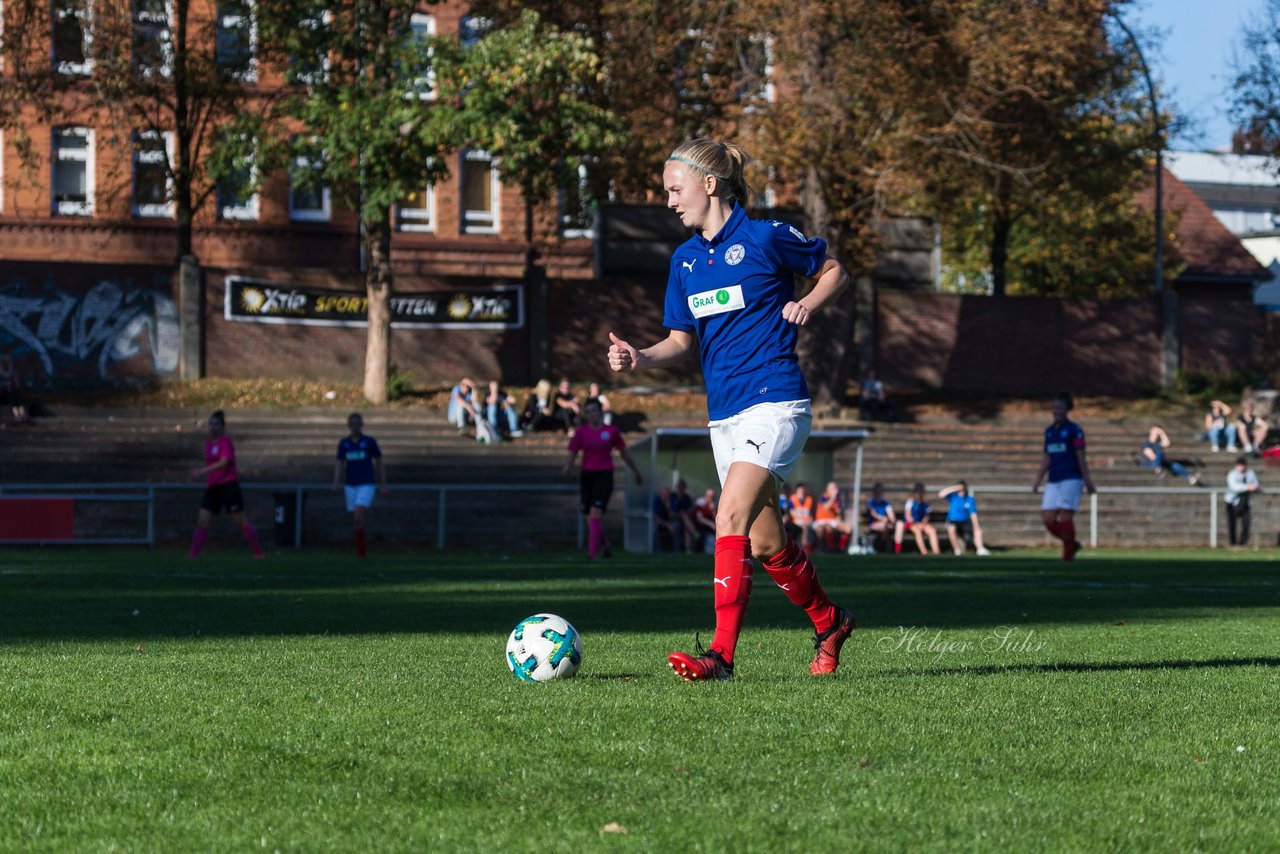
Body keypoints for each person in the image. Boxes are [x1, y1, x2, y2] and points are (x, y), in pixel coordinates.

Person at [607, 136, 855, 680]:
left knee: (729, 517)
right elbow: (679, 339)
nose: (669, 201)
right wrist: (637, 357)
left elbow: (832, 268)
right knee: (766, 543)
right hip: (725, 416)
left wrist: (807, 302)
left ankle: (720, 656)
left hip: (776, 401)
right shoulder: (686, 261)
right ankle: (830, 621)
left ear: (710, 185)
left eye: (676, 190)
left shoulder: (766, 237)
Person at [563, 397, 643, 559]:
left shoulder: (611, 431)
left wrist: (636, 471)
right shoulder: (581, 432)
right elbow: (573, 452)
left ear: (600, 412)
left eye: (594, 411)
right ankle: (605, 544)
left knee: (595, 512)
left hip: (604, 475)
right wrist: (567, 467)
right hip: (587, 475)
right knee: (589, 516)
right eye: (588, 412)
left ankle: (591, 554)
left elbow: (623, 453)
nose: (591, 414)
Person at [187, 409, 263, 559]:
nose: (212, 427)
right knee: (202, 521)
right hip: (213, 487)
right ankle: (192, 556)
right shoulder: (208, 444)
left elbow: (223, 463)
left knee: (240, 521)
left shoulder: (226, 442)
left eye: (216, 424)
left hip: (228, 486)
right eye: (210, 424)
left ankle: (258, 553)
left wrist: (201, 471)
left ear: (222, 427)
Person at [1032, 391, 1097, 561]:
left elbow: (1081, 456)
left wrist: (1087, 480)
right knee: (1048, 518)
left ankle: (1067, 556)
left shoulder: (1075, 431)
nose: (1056, 411)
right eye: (1054, 407)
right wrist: (1038, 479)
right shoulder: (1049, 432)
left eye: (1060, 408)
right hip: (1053, 479)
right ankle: (1072, 543)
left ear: (1067, 409)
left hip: (1071, 478)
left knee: (1065, 515)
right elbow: (1047, 456)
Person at [331, 412, 388, 557]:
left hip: (366, 484)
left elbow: (380, 462)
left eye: (358, 423)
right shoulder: (344, 443)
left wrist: (383, 483)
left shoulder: (369, 442)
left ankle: (361, 551)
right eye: (352, 424)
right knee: (357, 520)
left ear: (362, 425)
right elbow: (339, 464)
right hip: (350, 485)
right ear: (349, 426)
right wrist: (336, 482)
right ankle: (361, 551)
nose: (355, 426)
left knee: (358, 515)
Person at [938, 482, 990, 556]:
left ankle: (980, 549)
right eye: (959, 489)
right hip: (953, 521)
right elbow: (941, 494)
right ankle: (957, 550)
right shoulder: (953, 497)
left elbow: (973, 513)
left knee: (978, 530)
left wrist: (976, 525)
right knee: (951, 529)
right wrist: (955, 487)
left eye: (962, 489)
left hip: (965, 521)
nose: (961, 491)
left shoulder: (969, 499)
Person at [894, 482, 940, 555]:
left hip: (921, 523)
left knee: (932, 531)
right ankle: (924, 552)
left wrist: (923, 523)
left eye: (921, 491)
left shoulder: (925, 503)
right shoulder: (910, 501)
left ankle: (936, 552)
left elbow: (927, 516)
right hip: (910, 523)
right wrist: (916, 523)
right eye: (918, 491)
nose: (919, 493)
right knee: (917, 531)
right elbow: (908, 515)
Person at [1225, 456, 1261, 547]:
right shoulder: (1232, 474)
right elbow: (1234, 487)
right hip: (1232, 502)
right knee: (1232, 523)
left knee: (1246, 523)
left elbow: (1256, 484)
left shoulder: (1250, 473)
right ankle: (1233, 542)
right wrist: (1247, 487)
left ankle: (1242, 543)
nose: (1241, 467)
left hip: (1245, 501)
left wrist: (1253, 487)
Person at [812, 480, 852, 552]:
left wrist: (840, 521)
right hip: (821, 520)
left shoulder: (838, 500)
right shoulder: (823, 497)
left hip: (833, 520)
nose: (834, 490)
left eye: (835, 488)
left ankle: (841, 549)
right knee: (828, 528)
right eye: (832, 488)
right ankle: (829, 549)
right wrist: (833, 498)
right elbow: (826, 507)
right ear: (827, 490)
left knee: (848, 528)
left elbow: (838, 513)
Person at [864, 482, 896, 548]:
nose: (878, 492)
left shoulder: (885, 503)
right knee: (885, 526)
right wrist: (882, 518)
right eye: (877, 491)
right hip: (873, 523)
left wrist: (891, 520)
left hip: (885, 524)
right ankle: (881, 546)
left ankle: (882, 546)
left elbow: (891, 516)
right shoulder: (870, 502)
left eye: (880, 491)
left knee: (887, 526)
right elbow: (873, 514)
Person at [788, 481, 816, 553]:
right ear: (796, 491)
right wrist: (804, 519)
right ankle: (805, 546)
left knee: (816, 528)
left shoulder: (809, 499)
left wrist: (810, 519)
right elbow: (792, 513)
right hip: (796, 521)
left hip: (807, 521)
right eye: (800, 491)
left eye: (803, 490)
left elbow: (810, 513)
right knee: (805, 527)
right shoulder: (792, 499)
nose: (802, 492)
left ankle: (813, 546)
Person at [0, 352, 29, 421]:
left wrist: (14, 381)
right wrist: (5, 384)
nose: (7, 363)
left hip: (12, 394)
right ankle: (17, 414)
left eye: (8, 362)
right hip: (2, 394)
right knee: (9, 391)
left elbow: (17, 385)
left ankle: (21, 413)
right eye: (6, 362)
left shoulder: (12, 371)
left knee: (15, 391)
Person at [651, 486, 679, 552]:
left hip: (671, 522)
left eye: (667, 495)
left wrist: (668, 507)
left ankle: (676, 551)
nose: (665, 497)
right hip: (661, 523)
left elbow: (673, 517)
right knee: (654, 527)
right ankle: (656, 551)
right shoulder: (657, 501)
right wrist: (667, 525)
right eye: (663, 495)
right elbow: (656, 518)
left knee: (676, 526)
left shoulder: (672, 501)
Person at [693, 487, 718, 552]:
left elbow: (716, 518)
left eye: (712, 496)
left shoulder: (715, 504)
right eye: (708, 496)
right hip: (700, 525)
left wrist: (713, 511)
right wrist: (710, 524)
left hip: (711, 528)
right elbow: (699, 518)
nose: (710, 498)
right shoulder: (700, 503)